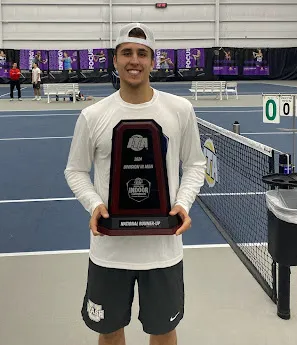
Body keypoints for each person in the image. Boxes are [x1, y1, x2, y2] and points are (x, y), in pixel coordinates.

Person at [64, 22, 206, 345]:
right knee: (110, 333)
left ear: (153, 62)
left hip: (163, 251)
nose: (134, 60)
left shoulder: (180, 110)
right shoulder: (92, 115)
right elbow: (74, 171)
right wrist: (94, 204)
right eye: (126, 52)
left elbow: (196, 164)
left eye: (142, 54)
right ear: (114, 60)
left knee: (164, 332)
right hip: (109, 252)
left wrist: (182, 204)